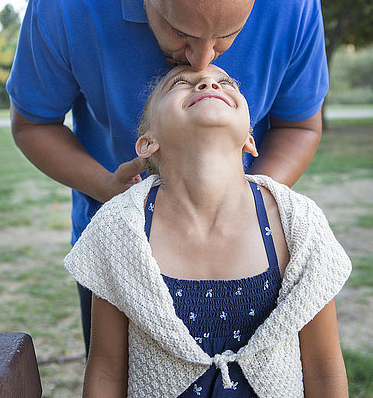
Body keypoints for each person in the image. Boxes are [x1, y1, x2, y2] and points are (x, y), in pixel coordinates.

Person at [7, 0, 329, 354]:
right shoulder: (63, 0)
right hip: (123, 247)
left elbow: (300, 126)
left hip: (253, 250)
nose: (202, 64)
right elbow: (33, 124)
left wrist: (251, 206)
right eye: (181, 32)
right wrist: (105, 187)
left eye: (227, 36)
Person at [64, 64, 351, 398]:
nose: (207, 82)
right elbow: (106, 372)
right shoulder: (119, 229)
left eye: (226, 82)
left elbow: (323, 371)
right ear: (146, 144)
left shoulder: (299, 224)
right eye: (180, 83)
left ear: (249, 139)